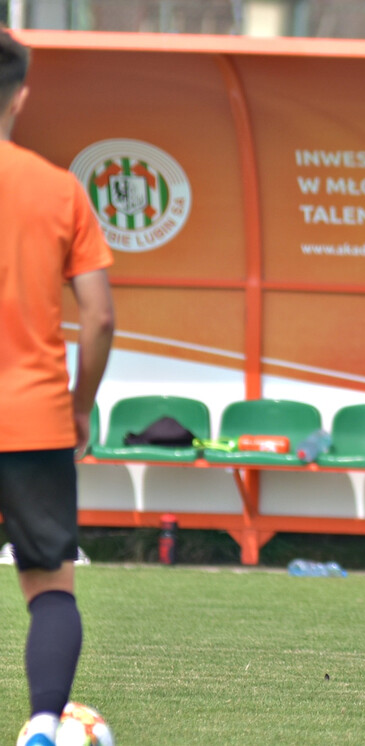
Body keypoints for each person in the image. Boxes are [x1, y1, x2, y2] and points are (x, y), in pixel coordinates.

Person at [0, 27, 116, 745]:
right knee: (50, 587)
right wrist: (78, 408)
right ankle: (45, 726)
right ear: (22, 93)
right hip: (35, 417)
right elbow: (99, 318)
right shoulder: (57, 188)